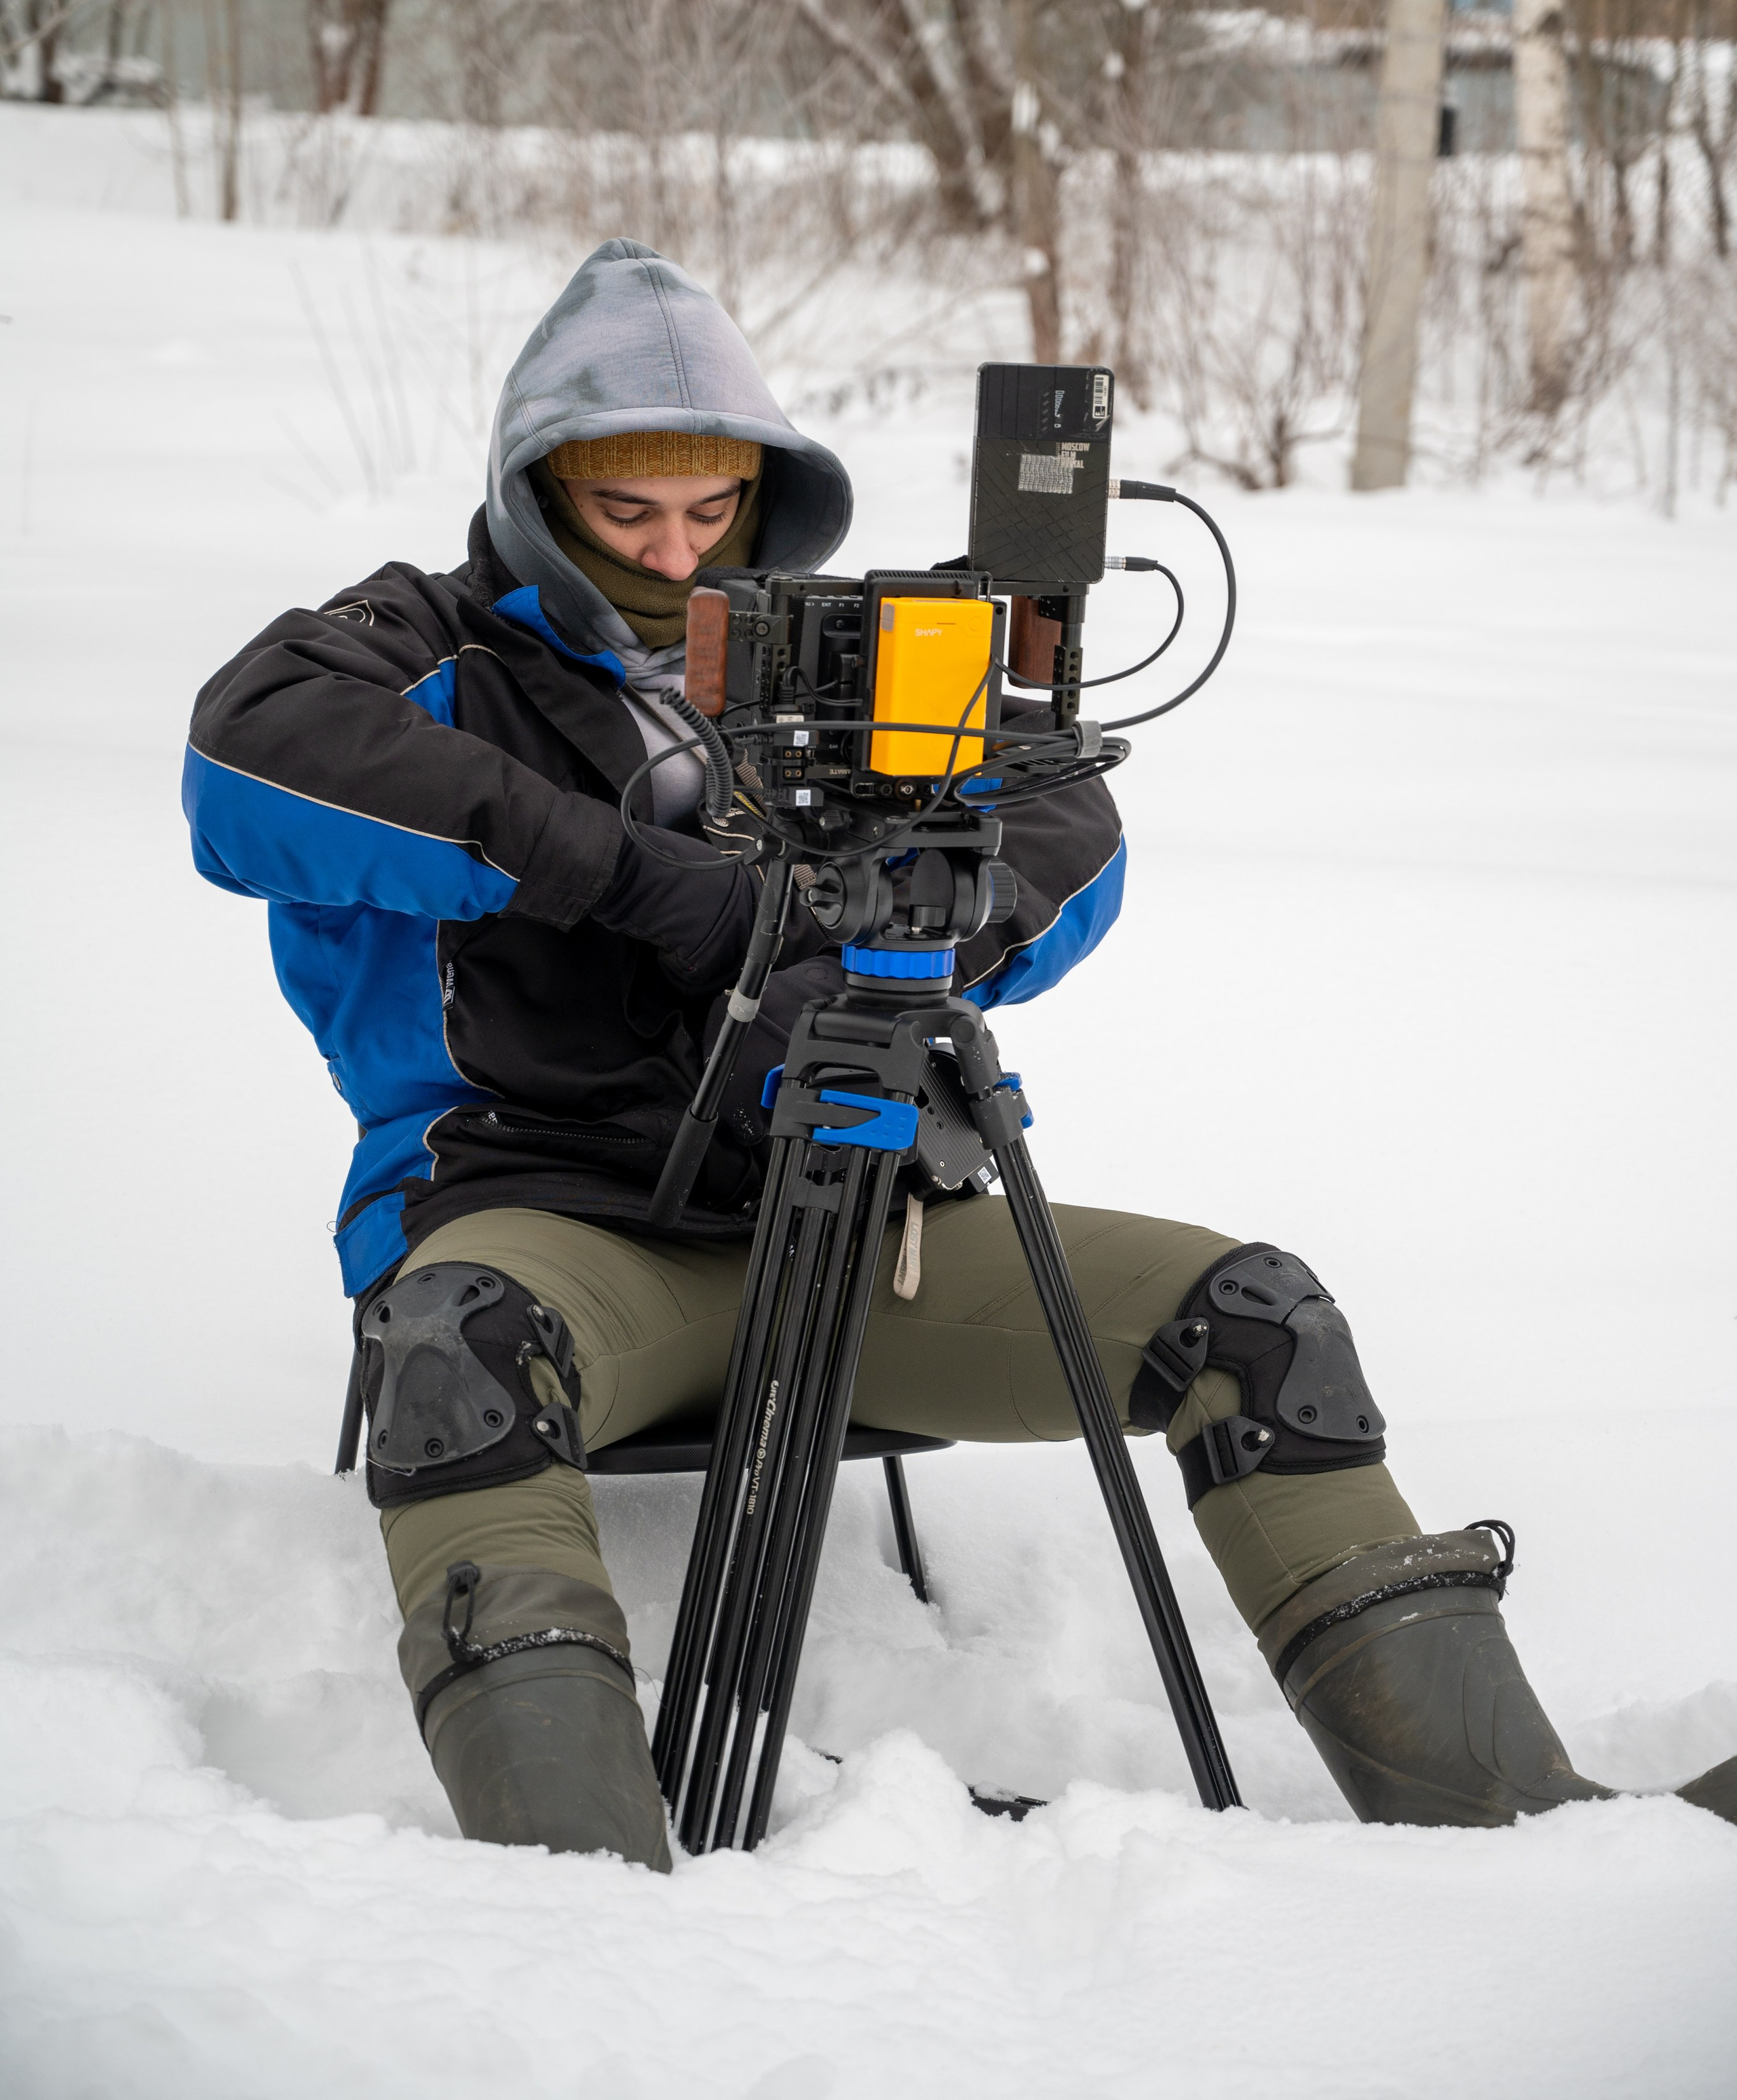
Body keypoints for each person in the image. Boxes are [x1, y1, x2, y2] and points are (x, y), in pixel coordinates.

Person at [185, 237, 1734, 1867]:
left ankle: (1517, 1835)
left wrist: (900, 937)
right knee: (462, 1348)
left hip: (857, 1230)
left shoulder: (827, 652)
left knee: (1256, 1322)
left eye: (711, 508)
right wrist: (651, 885)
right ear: (531, 488)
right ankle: (585, 1887)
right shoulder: (415, 647)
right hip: (540, 1227)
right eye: (623, 510)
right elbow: (247, 761)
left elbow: (1067, 819)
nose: (672, 549)